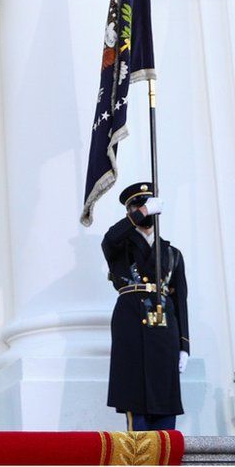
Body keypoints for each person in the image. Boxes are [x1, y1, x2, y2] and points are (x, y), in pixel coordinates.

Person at [103, 181, 189, 431]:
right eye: (138, 206)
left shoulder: (172, 252)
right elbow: (109, 238)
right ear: (130, 211)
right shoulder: (120, 247)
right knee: (136, 400)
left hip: (164, 329)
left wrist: (184, 345)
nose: (145, 210)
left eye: (149, 204)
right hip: (132, 324)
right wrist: (141, 213)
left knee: (165, 401)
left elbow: (179, 300)